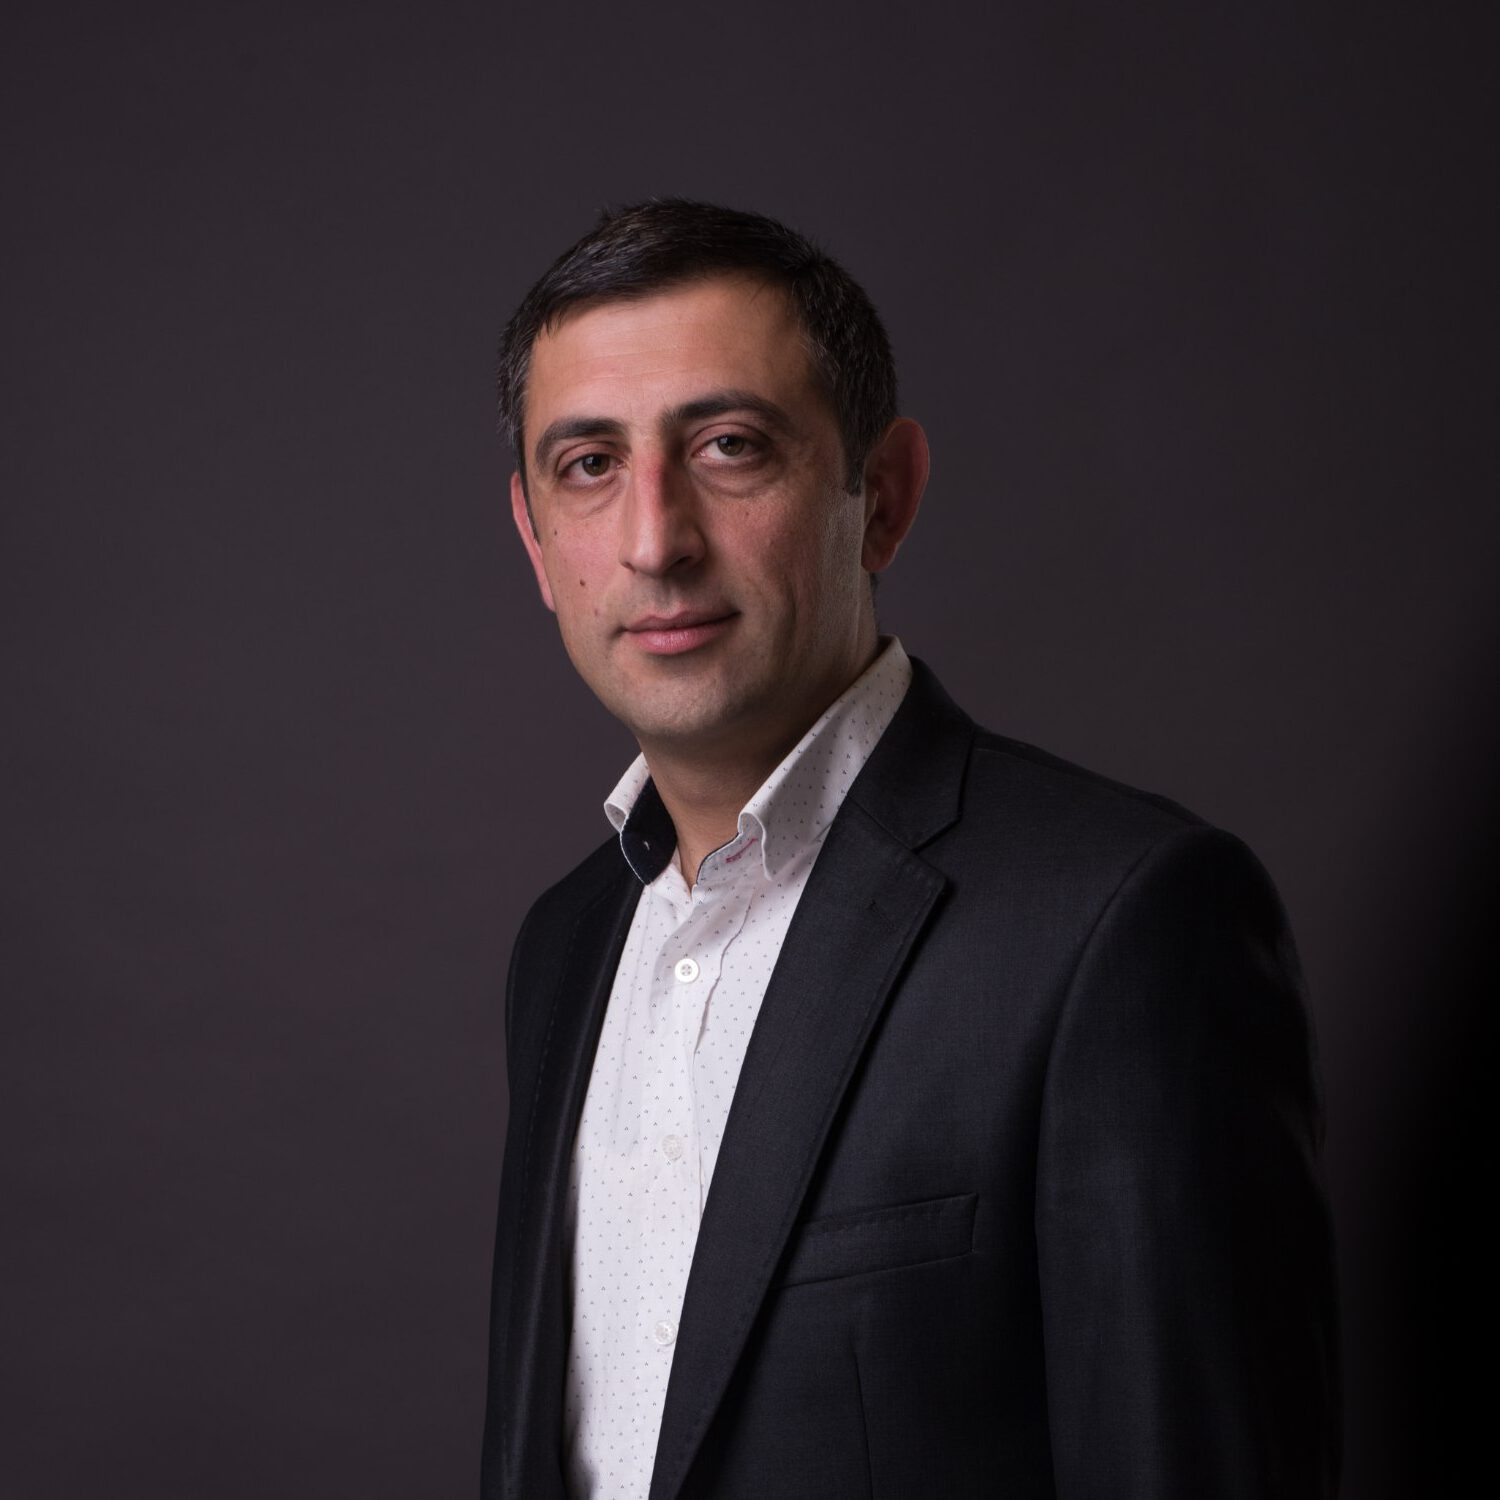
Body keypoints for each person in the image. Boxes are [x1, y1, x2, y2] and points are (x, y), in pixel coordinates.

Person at [481, 200, 1338, 1500]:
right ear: (537, 541)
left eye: (728, 447)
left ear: (881, 498)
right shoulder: (563, 948)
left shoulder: (1121, 924)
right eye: (590, 464)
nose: (655, 540)